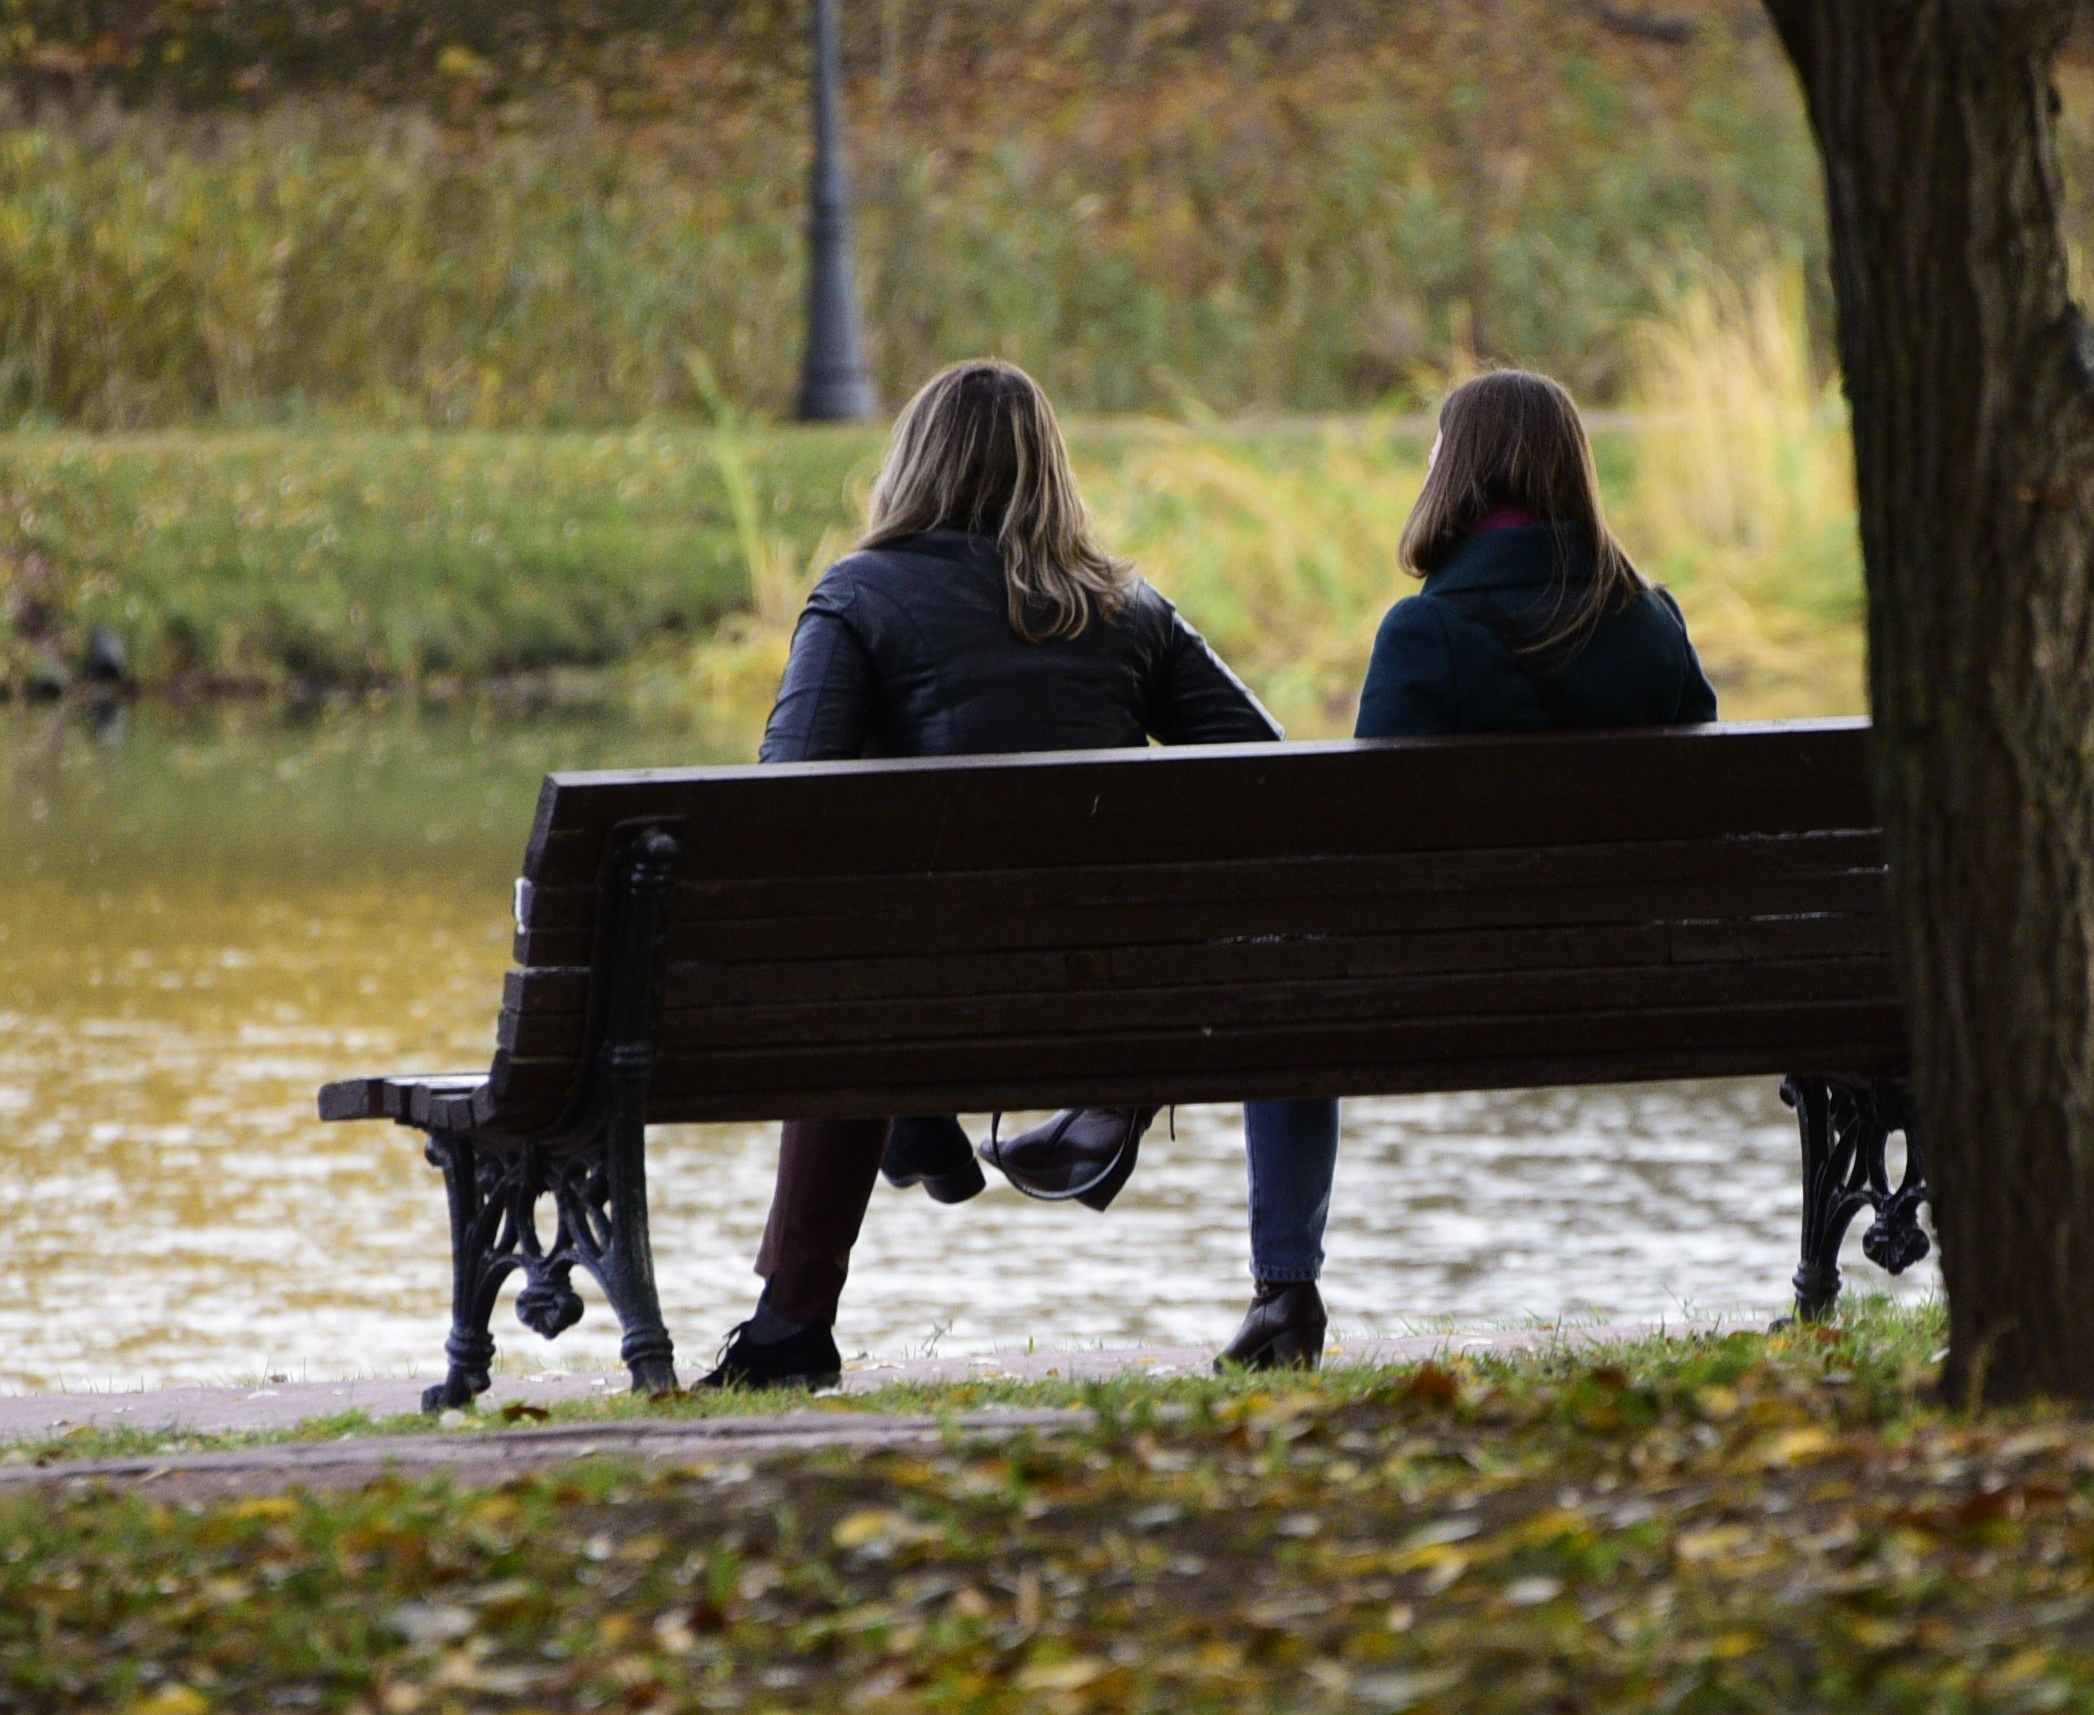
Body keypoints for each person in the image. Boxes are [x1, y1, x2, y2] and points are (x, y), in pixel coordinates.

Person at [702, 359, 1333, 1389]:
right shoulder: (1132, 610)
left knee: (848, 986)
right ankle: (944, 1120)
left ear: (911, 465)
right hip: (1110, 1002)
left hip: (918, 997)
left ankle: (793, 1319)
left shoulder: (859, 594)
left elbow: (784, 801)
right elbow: (1267, 773)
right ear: (1053, 471)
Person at [1222, 370, 1720, 1361]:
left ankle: (1287, 1292)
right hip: (1655, 981)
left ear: (1454, 476)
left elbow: (1362, 845)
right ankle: (1815, 1272)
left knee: (1281, 977)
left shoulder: (1425, 632)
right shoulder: (1652, 621)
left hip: (1448, 988)